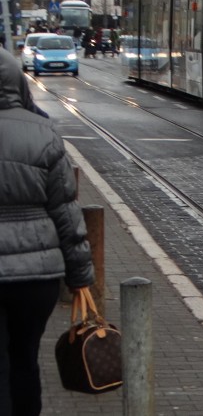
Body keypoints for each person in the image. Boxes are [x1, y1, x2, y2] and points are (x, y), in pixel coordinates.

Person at [0, 47, 94, 415]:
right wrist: (81, 277)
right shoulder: (43, 132)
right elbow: (67, 214)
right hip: (36, 280)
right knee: (25, 361)